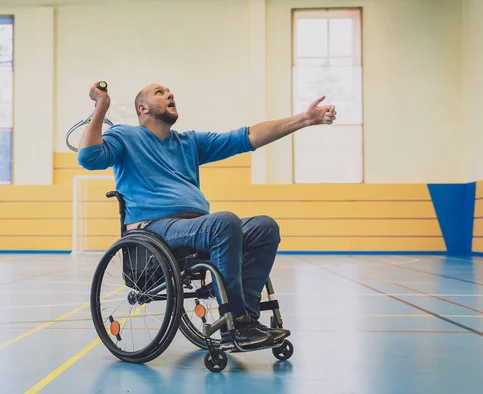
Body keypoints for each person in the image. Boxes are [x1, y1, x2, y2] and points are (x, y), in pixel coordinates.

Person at [77, 82, 337, 350]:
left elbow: (247, 137)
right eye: (160, 92)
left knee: (264, 227)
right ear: (142, 108)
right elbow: (88, 157)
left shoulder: (189, 142)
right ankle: (235, 324)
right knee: (223, 222)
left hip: (196, 227)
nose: (170, 94)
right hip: (154, 229)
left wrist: (304, 119)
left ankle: (245, 318)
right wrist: (102, 106)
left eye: (170, 92)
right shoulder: (125, 136)